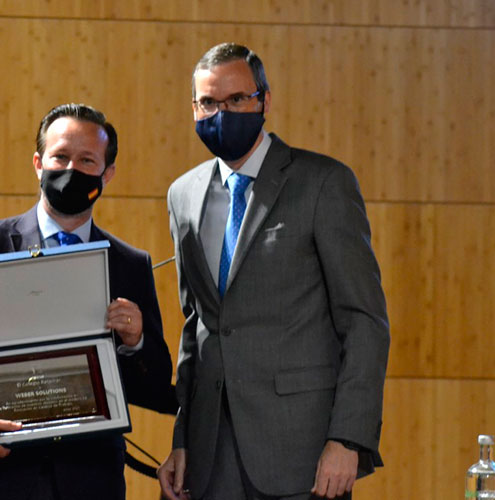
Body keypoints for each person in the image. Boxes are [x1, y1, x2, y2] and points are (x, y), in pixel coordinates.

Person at [157, 43, 391, 500]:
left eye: (236, 100)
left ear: (264, 100)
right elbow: (197, 326)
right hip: (209, 457)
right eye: (208, 103)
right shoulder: (182, 194)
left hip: (302, 454)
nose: (220, 112)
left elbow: (364, 320)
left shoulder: (323, 183)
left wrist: (348, 439)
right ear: (193, 108)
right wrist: (182, 437)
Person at [0, 103, 174, 499]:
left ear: (108, 173)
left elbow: (155, 385)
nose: (71, 169)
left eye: (87, 160)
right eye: (60, 156)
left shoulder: (129, 265)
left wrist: (136, 340)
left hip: (88, 484)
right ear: (39, 163)